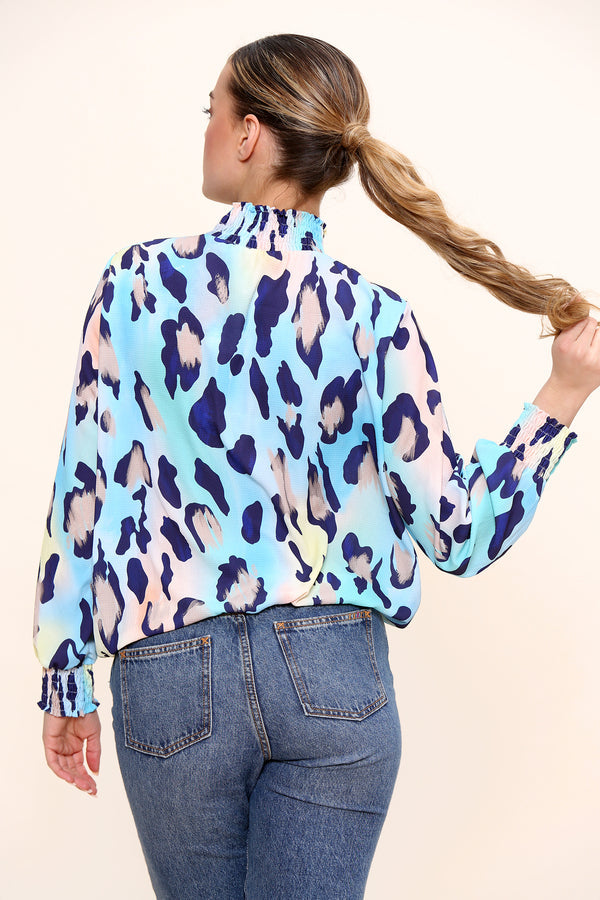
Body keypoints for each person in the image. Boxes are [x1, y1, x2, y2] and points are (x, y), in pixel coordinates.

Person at [34, 32, 600, 900]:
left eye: (214, 110)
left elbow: (85, 492)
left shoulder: (137, 286)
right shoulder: (375, 317)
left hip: (172, 679)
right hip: (333, 674)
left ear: (249, 133)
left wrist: (65, 674)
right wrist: (561, 396)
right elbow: (458, 533)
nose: (207, 128)